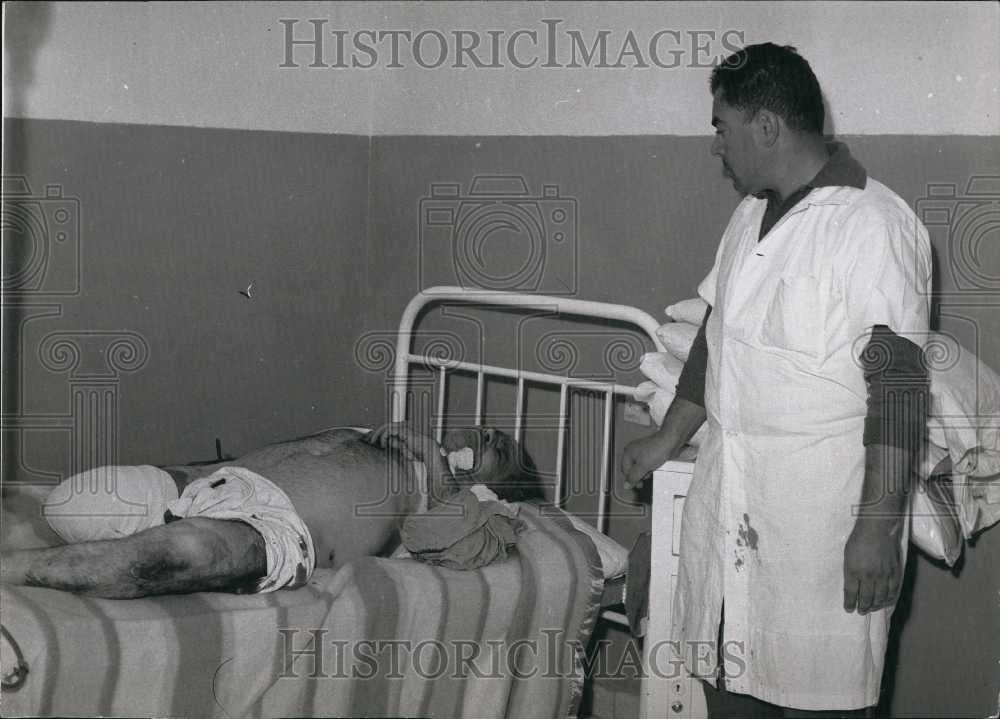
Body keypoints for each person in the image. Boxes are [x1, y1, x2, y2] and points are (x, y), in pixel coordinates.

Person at [620, 43, 931, 717]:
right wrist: (669, 435)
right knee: (729, 687)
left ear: (767, 127)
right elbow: (715, 334)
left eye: (721, 127)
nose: (717, 146)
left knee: (819, 695)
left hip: (820, 530)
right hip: (732, 511)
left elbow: (899, 388)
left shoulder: (874, 226)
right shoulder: (747, 219)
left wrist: (877, 525)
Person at [1, 424, 542, 598]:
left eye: (504, 450)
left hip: (281, 530)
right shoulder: (403, 434)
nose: (490, 433)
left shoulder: (471, 505)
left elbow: (452, 546)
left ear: (501, 485)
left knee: (190, 551)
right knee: (70, 500)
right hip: (215, 485)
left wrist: (436, 469)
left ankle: (11, 572)